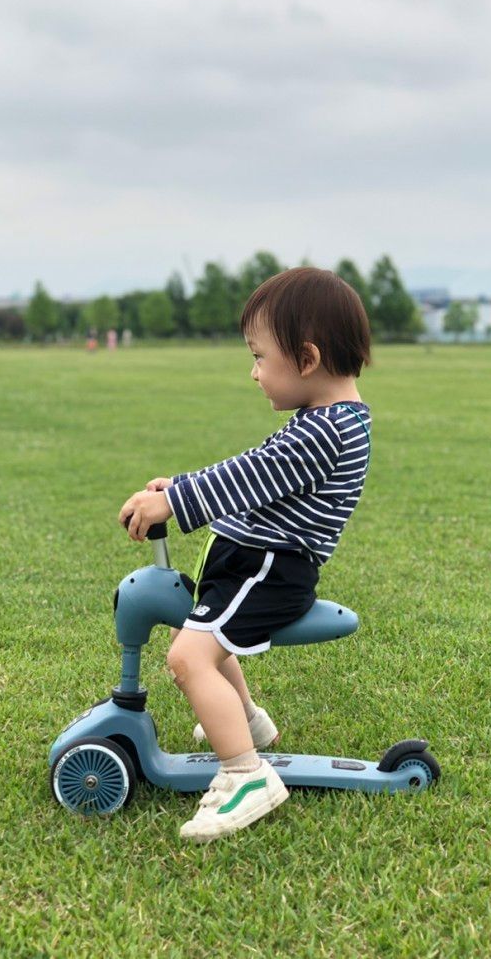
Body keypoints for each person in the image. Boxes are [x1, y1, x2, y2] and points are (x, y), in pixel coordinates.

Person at [118, 267, 372, 842]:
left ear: (306, 359)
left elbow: (249, 474)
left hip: (268, 570)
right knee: (208, 636)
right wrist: (178, 486)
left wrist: (177, 501)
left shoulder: (325, 430)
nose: (253, 372)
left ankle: (245, 776)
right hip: (253, 563)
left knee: (188, 658)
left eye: (260, 357)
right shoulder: (325, 420)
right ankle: (249, 725)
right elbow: (257, 479)